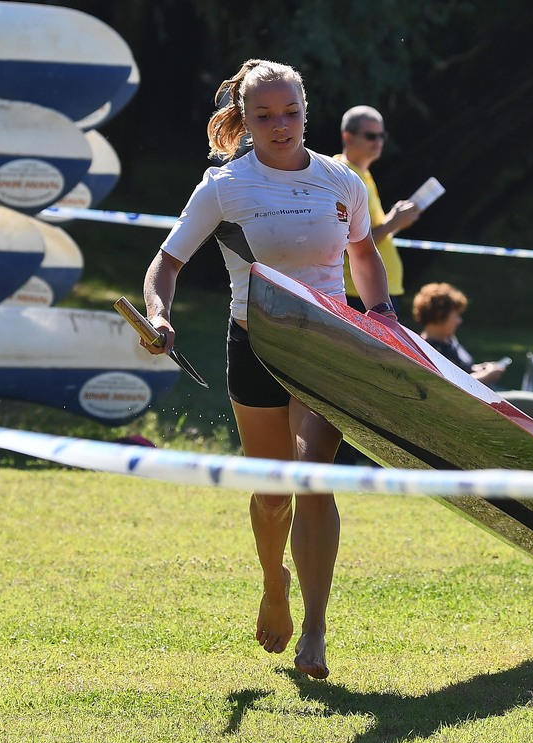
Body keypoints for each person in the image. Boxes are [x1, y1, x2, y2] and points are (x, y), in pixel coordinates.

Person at [139, 59, 396, 680]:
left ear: (306, 113)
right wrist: (158, 315)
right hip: (254, 344)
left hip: (325, 345)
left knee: (313, 479)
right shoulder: (226, 186)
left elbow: (364, 256)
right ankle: (272, 583)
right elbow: (166, 264)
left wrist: (383, 316)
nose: (280, 126)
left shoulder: (341, 180)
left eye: (290, 113)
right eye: (264, 116)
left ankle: (316, 628)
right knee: (274, 493)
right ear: (246, 121)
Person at [411, 282, 533, 472]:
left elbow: (462, 369)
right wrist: (487, 375)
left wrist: (481, 367)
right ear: (440, 315)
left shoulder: (448, 341)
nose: (459, 320)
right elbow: (450, 386)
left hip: (486, 394)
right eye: (456, 315)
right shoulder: (427, 347)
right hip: (475, 403)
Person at [335, 105, 422, 312]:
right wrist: (393, 223)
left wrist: (397, 223)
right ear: (348, 137)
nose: (378, 142)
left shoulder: (362, 174)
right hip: (361, 293)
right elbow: (346, 243)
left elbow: (368, 233)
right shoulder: (343, 175)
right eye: (371, 136)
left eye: (382, 136)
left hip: (373, 292)